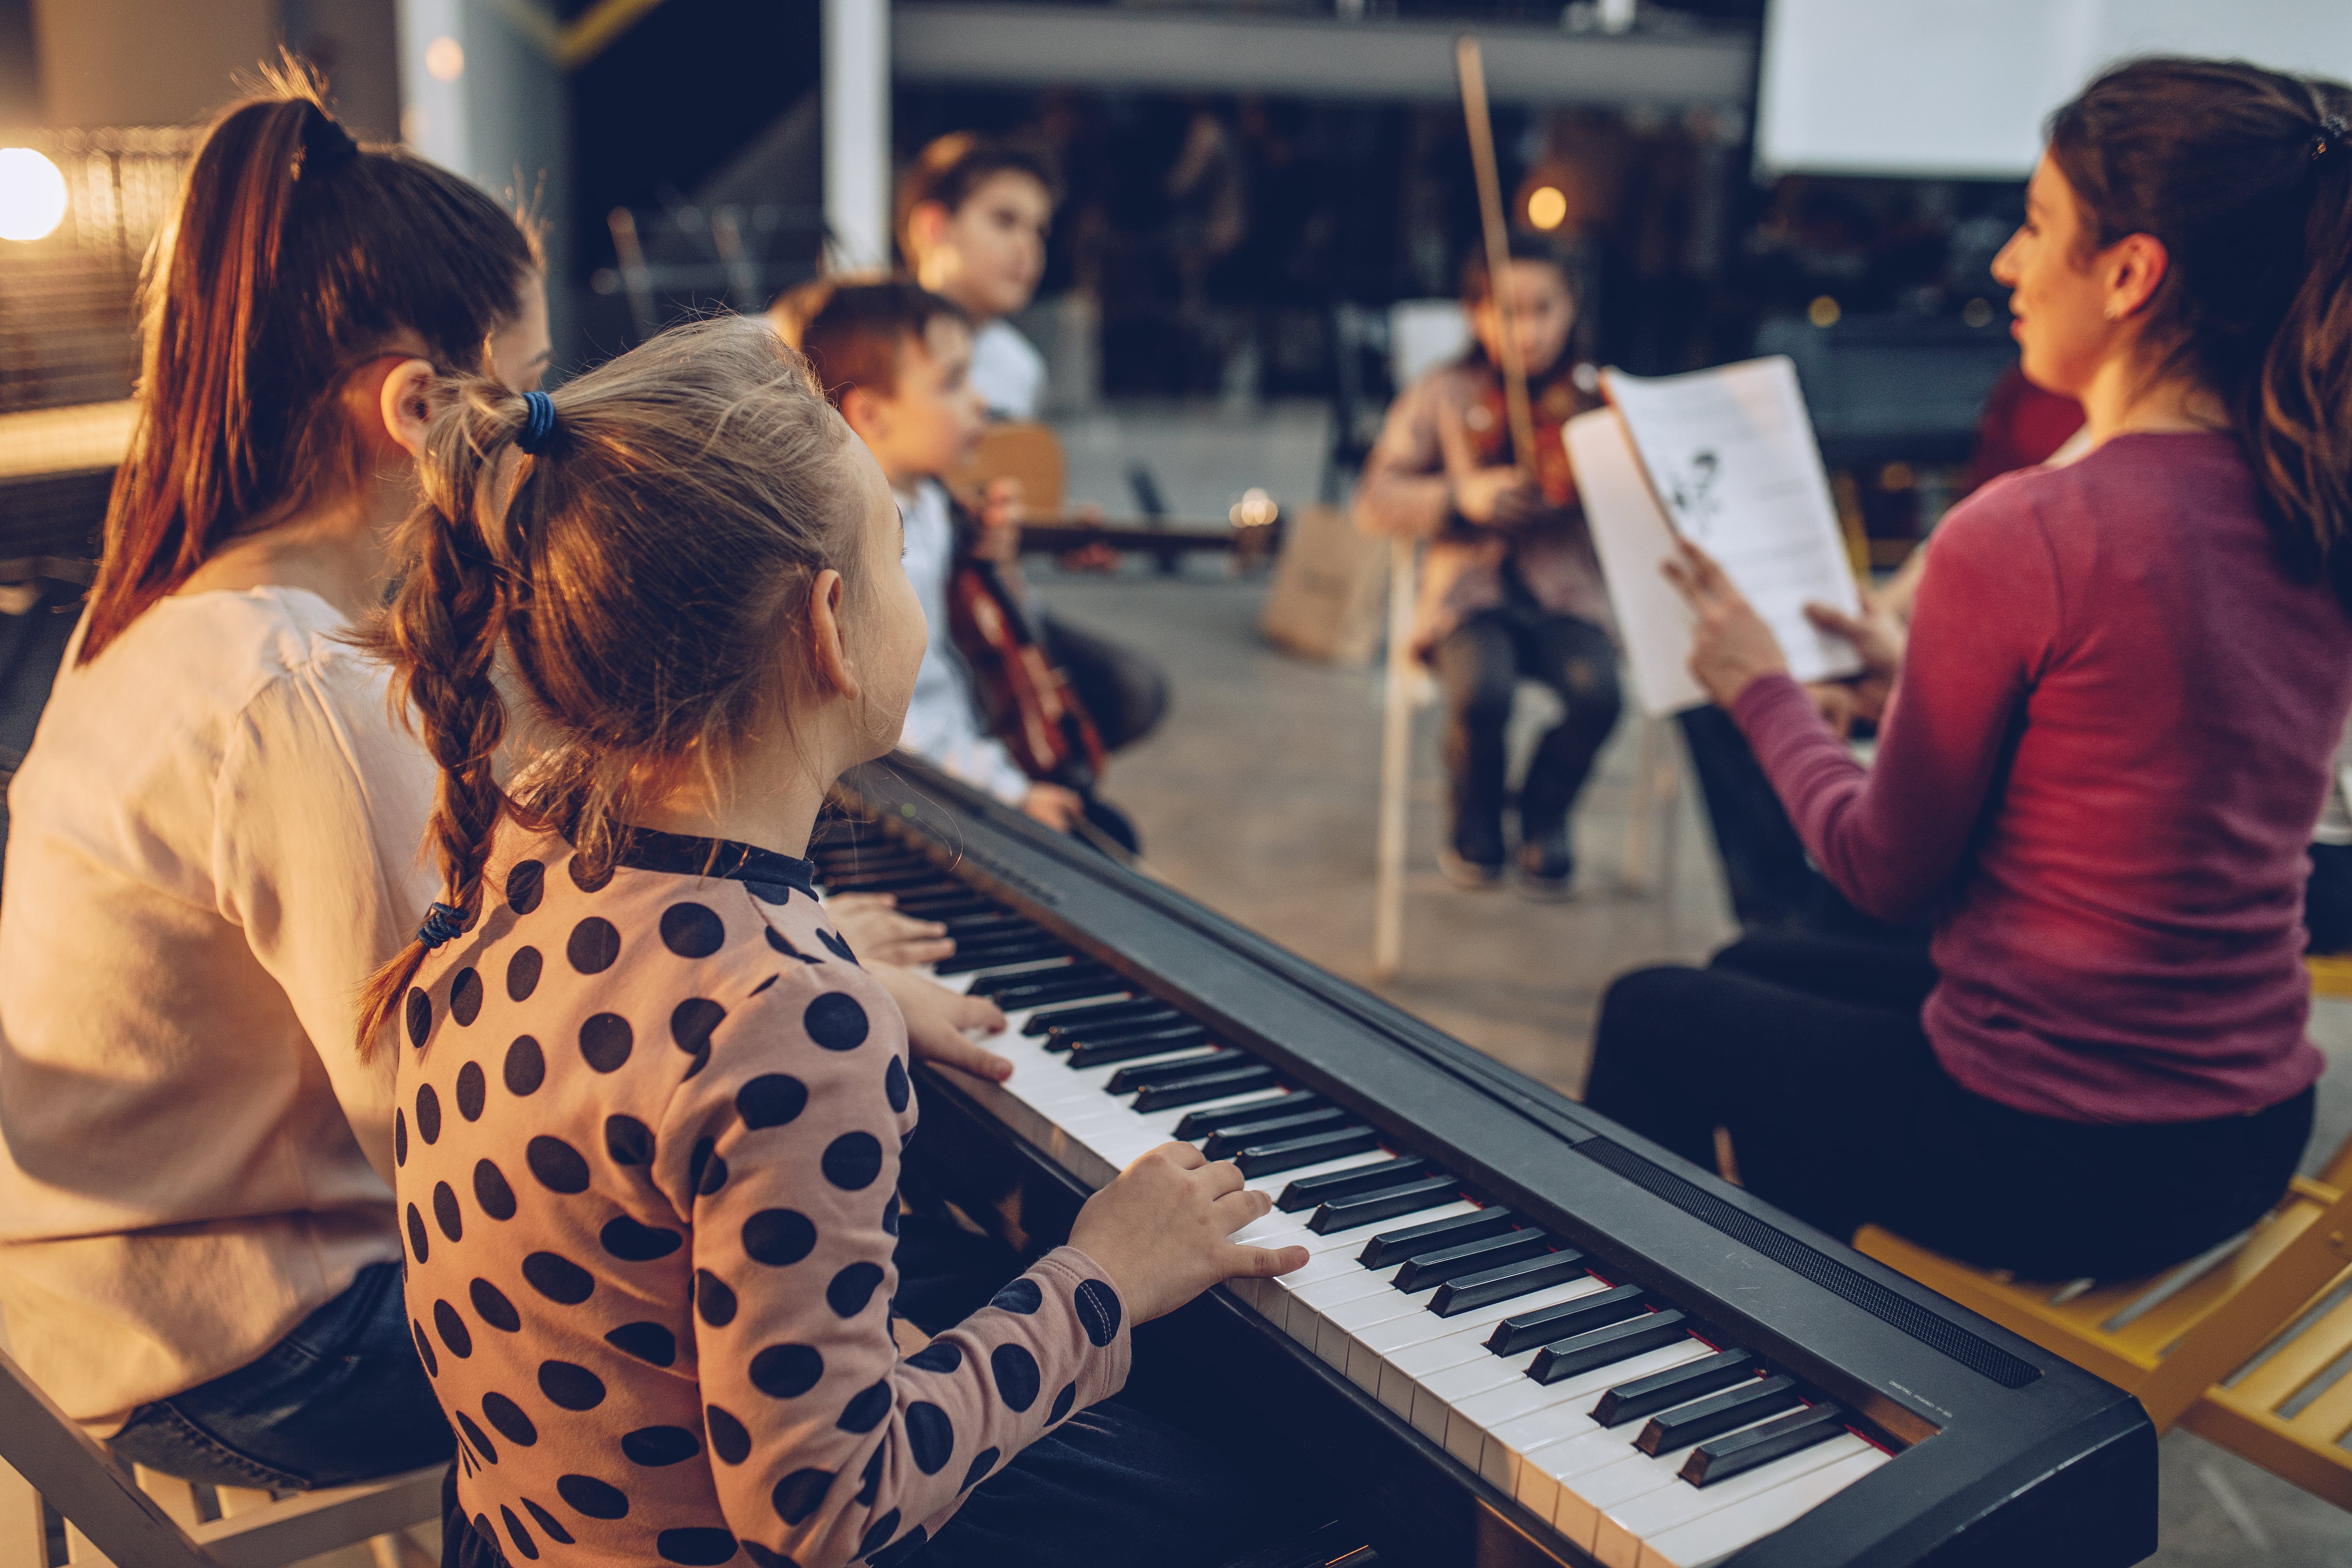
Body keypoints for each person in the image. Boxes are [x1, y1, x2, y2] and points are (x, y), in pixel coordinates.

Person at [360, 315, 1313, 1568]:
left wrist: (838, 976)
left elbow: (650, 1052)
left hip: (520, 1525)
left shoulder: (528, 836)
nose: (911, 587)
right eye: (899, 553)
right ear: (827, 622)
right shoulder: (784, 1014)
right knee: (1252, 1506)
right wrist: (1105, 1274)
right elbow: (823, 1508)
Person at [1585, 57, 2352, 1282]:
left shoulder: (2033, 528)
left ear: (2131, 272)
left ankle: (1662, 1376)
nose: (2004, 262)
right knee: (1748, 974)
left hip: (2069, 1153)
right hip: (2245, 1128)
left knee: (1650, 1013)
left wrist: (1760, 684)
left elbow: (1883, 871)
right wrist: (1923, 672)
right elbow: (2148, 729)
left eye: (2037, 226)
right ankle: (1812, 1324)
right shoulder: (2311, 497)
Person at [0, 74, 546, 1484]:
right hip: (260, 1348)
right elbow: (456, 1124)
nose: (545, 439)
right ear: (419, 408)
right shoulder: (292, 682)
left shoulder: (176, 614)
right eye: (530, 401)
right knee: (756, 1311)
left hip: (99, 1300)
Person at [785, 278, 1148, 848]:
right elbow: (900, 724)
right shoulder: (868, 545)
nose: (978, 400)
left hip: (970, 756)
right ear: (871, 416)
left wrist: (1002, 566)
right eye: (953, 382)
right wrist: (1009, 795)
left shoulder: (932, 501)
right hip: (920, 793)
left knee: (1110, 830)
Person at [1354, 234, 1621, 897]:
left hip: (1568, 597)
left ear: (1572, 311)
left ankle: (1543, 812)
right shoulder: (1442, 393)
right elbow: (1374, 498)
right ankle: (1473, 810)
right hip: (1468, 597)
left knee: (1599, 696)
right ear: (1475, 315)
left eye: (1543, 310)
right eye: (1508, 311)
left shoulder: (1599, 399)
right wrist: (1456, 495)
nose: (1526, 331)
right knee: (1482, 692)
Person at [899, 133, 1057, 420]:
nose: (1028, 247)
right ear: (934, 227)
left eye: (1039, 231)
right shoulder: (873, 347)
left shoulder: (1021, 368)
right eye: (1004, 220)